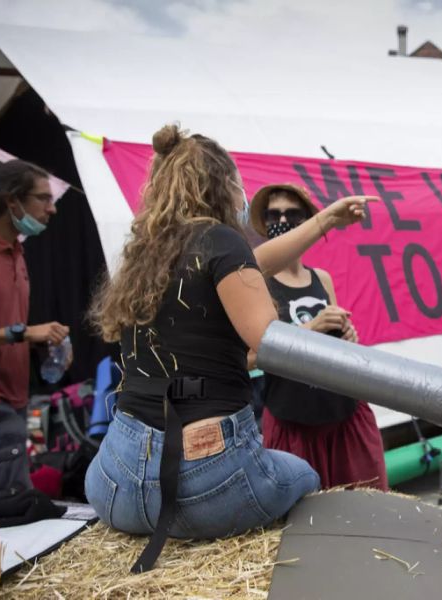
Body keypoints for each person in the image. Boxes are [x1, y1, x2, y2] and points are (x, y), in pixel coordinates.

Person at [84, 125, 375, 572]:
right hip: (205, 486)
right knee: (305, 476)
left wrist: (324, 221)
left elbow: (249, 264)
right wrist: (321, 335)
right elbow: (269, 342)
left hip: (114, 485)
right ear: (221, 184)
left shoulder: (149, 252)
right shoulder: (221, 240)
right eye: (238, 182)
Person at [248, 183, 388, 490]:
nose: (282, 222)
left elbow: (337, 343)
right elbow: (249, 354)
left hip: (344, 415)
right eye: (273, 215)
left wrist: (346, 335)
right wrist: (312, 328)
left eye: (292, 214)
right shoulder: (257, 280)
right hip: (293, 422)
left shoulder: (321, 277)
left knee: (367, 512)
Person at [0, 158, 70, 502]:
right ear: (11, 201)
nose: (52, 209)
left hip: (14, 403)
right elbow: (12, 330)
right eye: (42, 199)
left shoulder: (17, 252)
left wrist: (47, 344)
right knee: (5, 517)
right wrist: (22, 333)